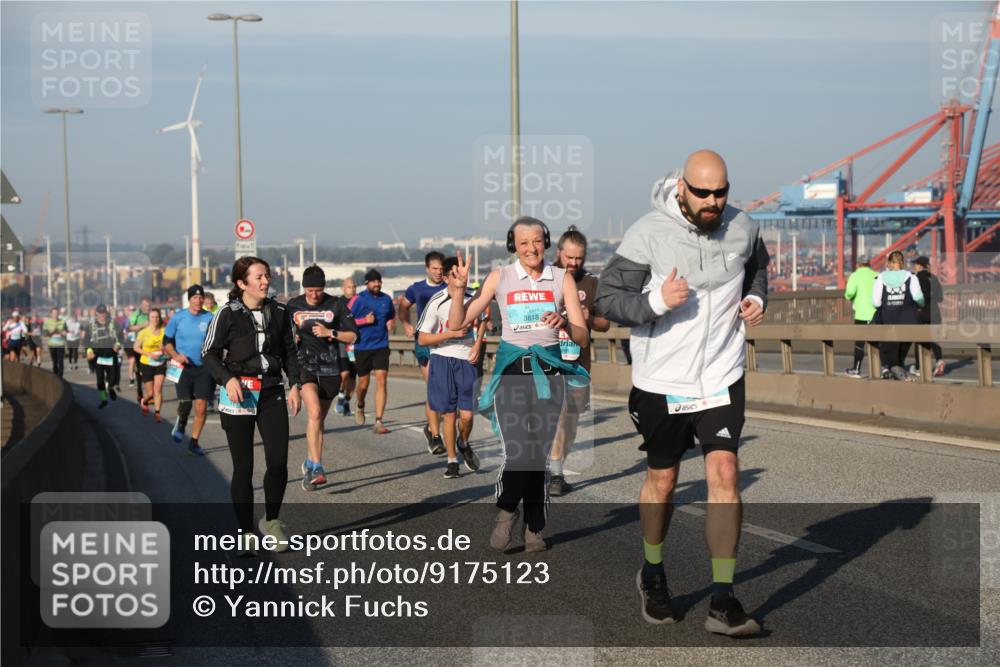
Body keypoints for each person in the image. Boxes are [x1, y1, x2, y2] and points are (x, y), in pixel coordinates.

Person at [595, 150, 768, 636]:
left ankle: (723, 600)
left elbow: (758, 267)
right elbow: (607, 299)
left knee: (725, 472)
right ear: (682, 188)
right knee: (663, 482)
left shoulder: (743, 226)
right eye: (703, 193)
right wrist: (655, 300)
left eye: (722, 192)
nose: (714, 202)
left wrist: (755, 298)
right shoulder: (648, 232)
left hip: (721, 374)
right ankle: (652, 572)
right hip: (662, 382)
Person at [448, 217, 590, 552]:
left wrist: (566, 321)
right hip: (512, 374)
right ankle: (507, 510)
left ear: (547, 243)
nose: (531, 249)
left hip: (549, 377)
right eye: (524, 242)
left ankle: (534, 529)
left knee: (538, 456)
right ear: (514, 244)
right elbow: (458, 323)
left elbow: (582, 337)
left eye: (537, 241)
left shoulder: (562, 279)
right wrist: (457, 293)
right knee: (520, 451)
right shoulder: (501, 276)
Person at [203, 257, 301, 552]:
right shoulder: (227, 314)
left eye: (267, 276)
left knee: (278, 462)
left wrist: (295, 384)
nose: (265, 281)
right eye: (259, 277)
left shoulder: (280, 312)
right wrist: (226, 379)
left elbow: (290, 352)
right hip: (239, 393)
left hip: (272, 391)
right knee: (243, 467)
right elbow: (209, 353)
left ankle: (271, 521)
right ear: (241, 283)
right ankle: (244, 530)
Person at [548, 226, 611, 496]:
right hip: (548, 358)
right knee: (557, 415)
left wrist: (588, 318)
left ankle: (555, 464)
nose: (574, 264)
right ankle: (555, 473)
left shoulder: (591, 283)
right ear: (558, 253)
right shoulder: (544, 276)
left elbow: (605, 324)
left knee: (571, 421)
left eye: (579, 259)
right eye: (569, 258)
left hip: (578, 361)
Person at [286, 265, 358, 491]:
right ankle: (317, 466)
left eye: (318, 290)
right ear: (304, 289)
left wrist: (331, 333)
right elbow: (282, 337)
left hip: (331, 370)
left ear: (324, 288)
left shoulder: (336, 304)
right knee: (314, 412)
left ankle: (309, 463)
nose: (314, 295)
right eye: (309, 291)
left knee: (318, 421)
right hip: (305, 367)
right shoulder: (293, 306)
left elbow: (354, 335)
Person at [417, 256, 487, 478]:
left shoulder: (472, 298)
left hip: (466, 360)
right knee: (449, 413)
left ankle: (463, 442)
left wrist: (477, 343)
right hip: (442, 358)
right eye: (455, 274)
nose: (460, 278)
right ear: (447, 277)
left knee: (466, 416)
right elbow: (422, 339)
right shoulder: (436, 301)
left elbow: (484, 318)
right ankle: (451, 460)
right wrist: (449, 334)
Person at [399, 251, 448, 454]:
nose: (438, 272)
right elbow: (403, 307)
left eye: (441, 269)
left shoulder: (449, 286)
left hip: (446, 342)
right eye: (435, 268)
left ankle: (430, 427)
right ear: (427, 268)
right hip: (424, 342)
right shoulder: (416, 289)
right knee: (433, 389)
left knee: (446, 393)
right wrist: (405, 323)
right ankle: (436, 437)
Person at [164, 285, 217, 455]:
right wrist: (175, 355)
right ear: (189, 299)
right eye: (194, 297)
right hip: (183, 367)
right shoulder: (178, 317)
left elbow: (218, 340)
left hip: (204, 368)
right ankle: (181, 422)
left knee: (201, 407)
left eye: (201, 297)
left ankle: (194, 443)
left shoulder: (210, 317)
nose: (198, 300)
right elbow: (167, 341)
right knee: (186, 403)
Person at [349, 269, 395, 434]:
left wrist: (390, 322)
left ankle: (378, 421)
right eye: (373, 281)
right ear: (367, 283)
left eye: (379, 281)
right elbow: (345, 320)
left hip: (381, 346)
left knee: (382, 380)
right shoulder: (358, 299)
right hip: (362, 347)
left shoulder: (387, 299)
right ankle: (360, 404)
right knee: (363, 383)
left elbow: (391, 315)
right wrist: (364, 321)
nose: (377, 284)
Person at [872, 250, 924, 381]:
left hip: (887, 320)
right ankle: (898, 370)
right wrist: (920, 304)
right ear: (903, 263)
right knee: (901, 354)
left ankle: (893, 369)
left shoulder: (880, 278)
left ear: (889, 263)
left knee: (890, 353)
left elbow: (876, 302)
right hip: (907, 321)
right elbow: (918, 297)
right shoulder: (912, 277)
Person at [82, 304, 125, 409]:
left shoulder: (114, 325)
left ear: (106, 313)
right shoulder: (90, 326)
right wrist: (89, 350)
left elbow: (121, 338)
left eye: (103, 313)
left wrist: (118, 345)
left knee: (112, 378)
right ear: (96, 314)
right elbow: (85, 341)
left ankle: (110, 388)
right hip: (98, 356)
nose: (101, 315)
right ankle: (104, 400)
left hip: (111, 355)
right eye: (99, 313)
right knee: (100, 379)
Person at [843, 257, 878, 378]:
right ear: (869, 264)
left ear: (858, 264)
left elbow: (849, 293)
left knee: (859, 344)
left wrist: (849, 297)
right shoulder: (877, 275)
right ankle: (881, 370)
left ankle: (856, 369)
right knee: (877, 343)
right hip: (876, 314)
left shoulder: (855, 276)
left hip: (862, 314)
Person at [911, 256, 946, 377]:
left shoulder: (915, 279)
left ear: (920, 266)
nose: (914, 266)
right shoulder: (934, 278)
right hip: (935, 312)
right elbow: (940, 298)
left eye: (915, 264)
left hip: (921, 312)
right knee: (935, 338)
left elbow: (914, 297)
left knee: (919, 339)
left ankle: (918, 367)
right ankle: (939, 361)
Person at [134, 307, 168, 423]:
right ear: (149, 318)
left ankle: (157, 413)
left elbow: (169, 345)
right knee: (151, 393)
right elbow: (136, 348)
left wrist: (164, 349)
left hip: (160, 362)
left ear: (160, 318)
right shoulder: (143, 332)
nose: (155, 319)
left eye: (157, 317)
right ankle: (144, 400)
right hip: (146, 362)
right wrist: (149, 354)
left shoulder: (165, 331)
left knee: (158, 389)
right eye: (152, 317)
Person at [334, 277, 359, 418]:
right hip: (342, 342)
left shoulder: (360, 302)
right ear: (343, 288)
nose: (352, 289)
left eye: (354, 286)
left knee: (353, 376)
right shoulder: (338, 303)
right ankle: (341, 396)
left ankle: (346, 404)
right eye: (349, 287)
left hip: (356, 344)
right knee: (344, 374)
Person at [126, 298, 151, 394]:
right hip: (139, 343)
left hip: (150, 343)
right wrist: (143, 325)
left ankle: (150, 392)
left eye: (149, 305)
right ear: (141, 305)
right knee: (140, 367)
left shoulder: (152, 313)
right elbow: (130, 328)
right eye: (145, 305)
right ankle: (139, 388)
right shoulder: (136, 314)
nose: (147, 307)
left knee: (149, 367)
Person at [42, 307, 68, 377]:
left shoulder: (62, 322)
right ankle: (56, 376)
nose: (55, 315)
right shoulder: (47, 323)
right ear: (51, 314)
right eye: (54, 313)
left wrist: (64, 333)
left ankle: (60, 378)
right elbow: (44, 334)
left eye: (56, 313)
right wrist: (52, 331)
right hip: (52, 345)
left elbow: (66, 332)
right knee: (55, 362)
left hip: (60, 344)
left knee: (60, 361)